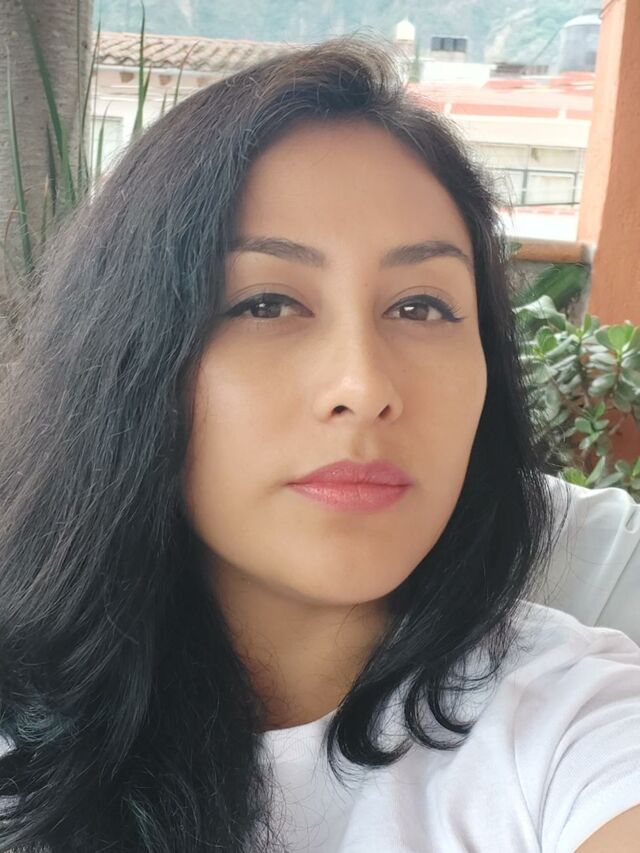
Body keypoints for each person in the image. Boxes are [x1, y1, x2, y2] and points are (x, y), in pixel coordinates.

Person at [0, 34, 638, 853]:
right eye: (266, 303)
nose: (363, 385)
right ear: (126, 354)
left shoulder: (573, 723)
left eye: (421, 306)